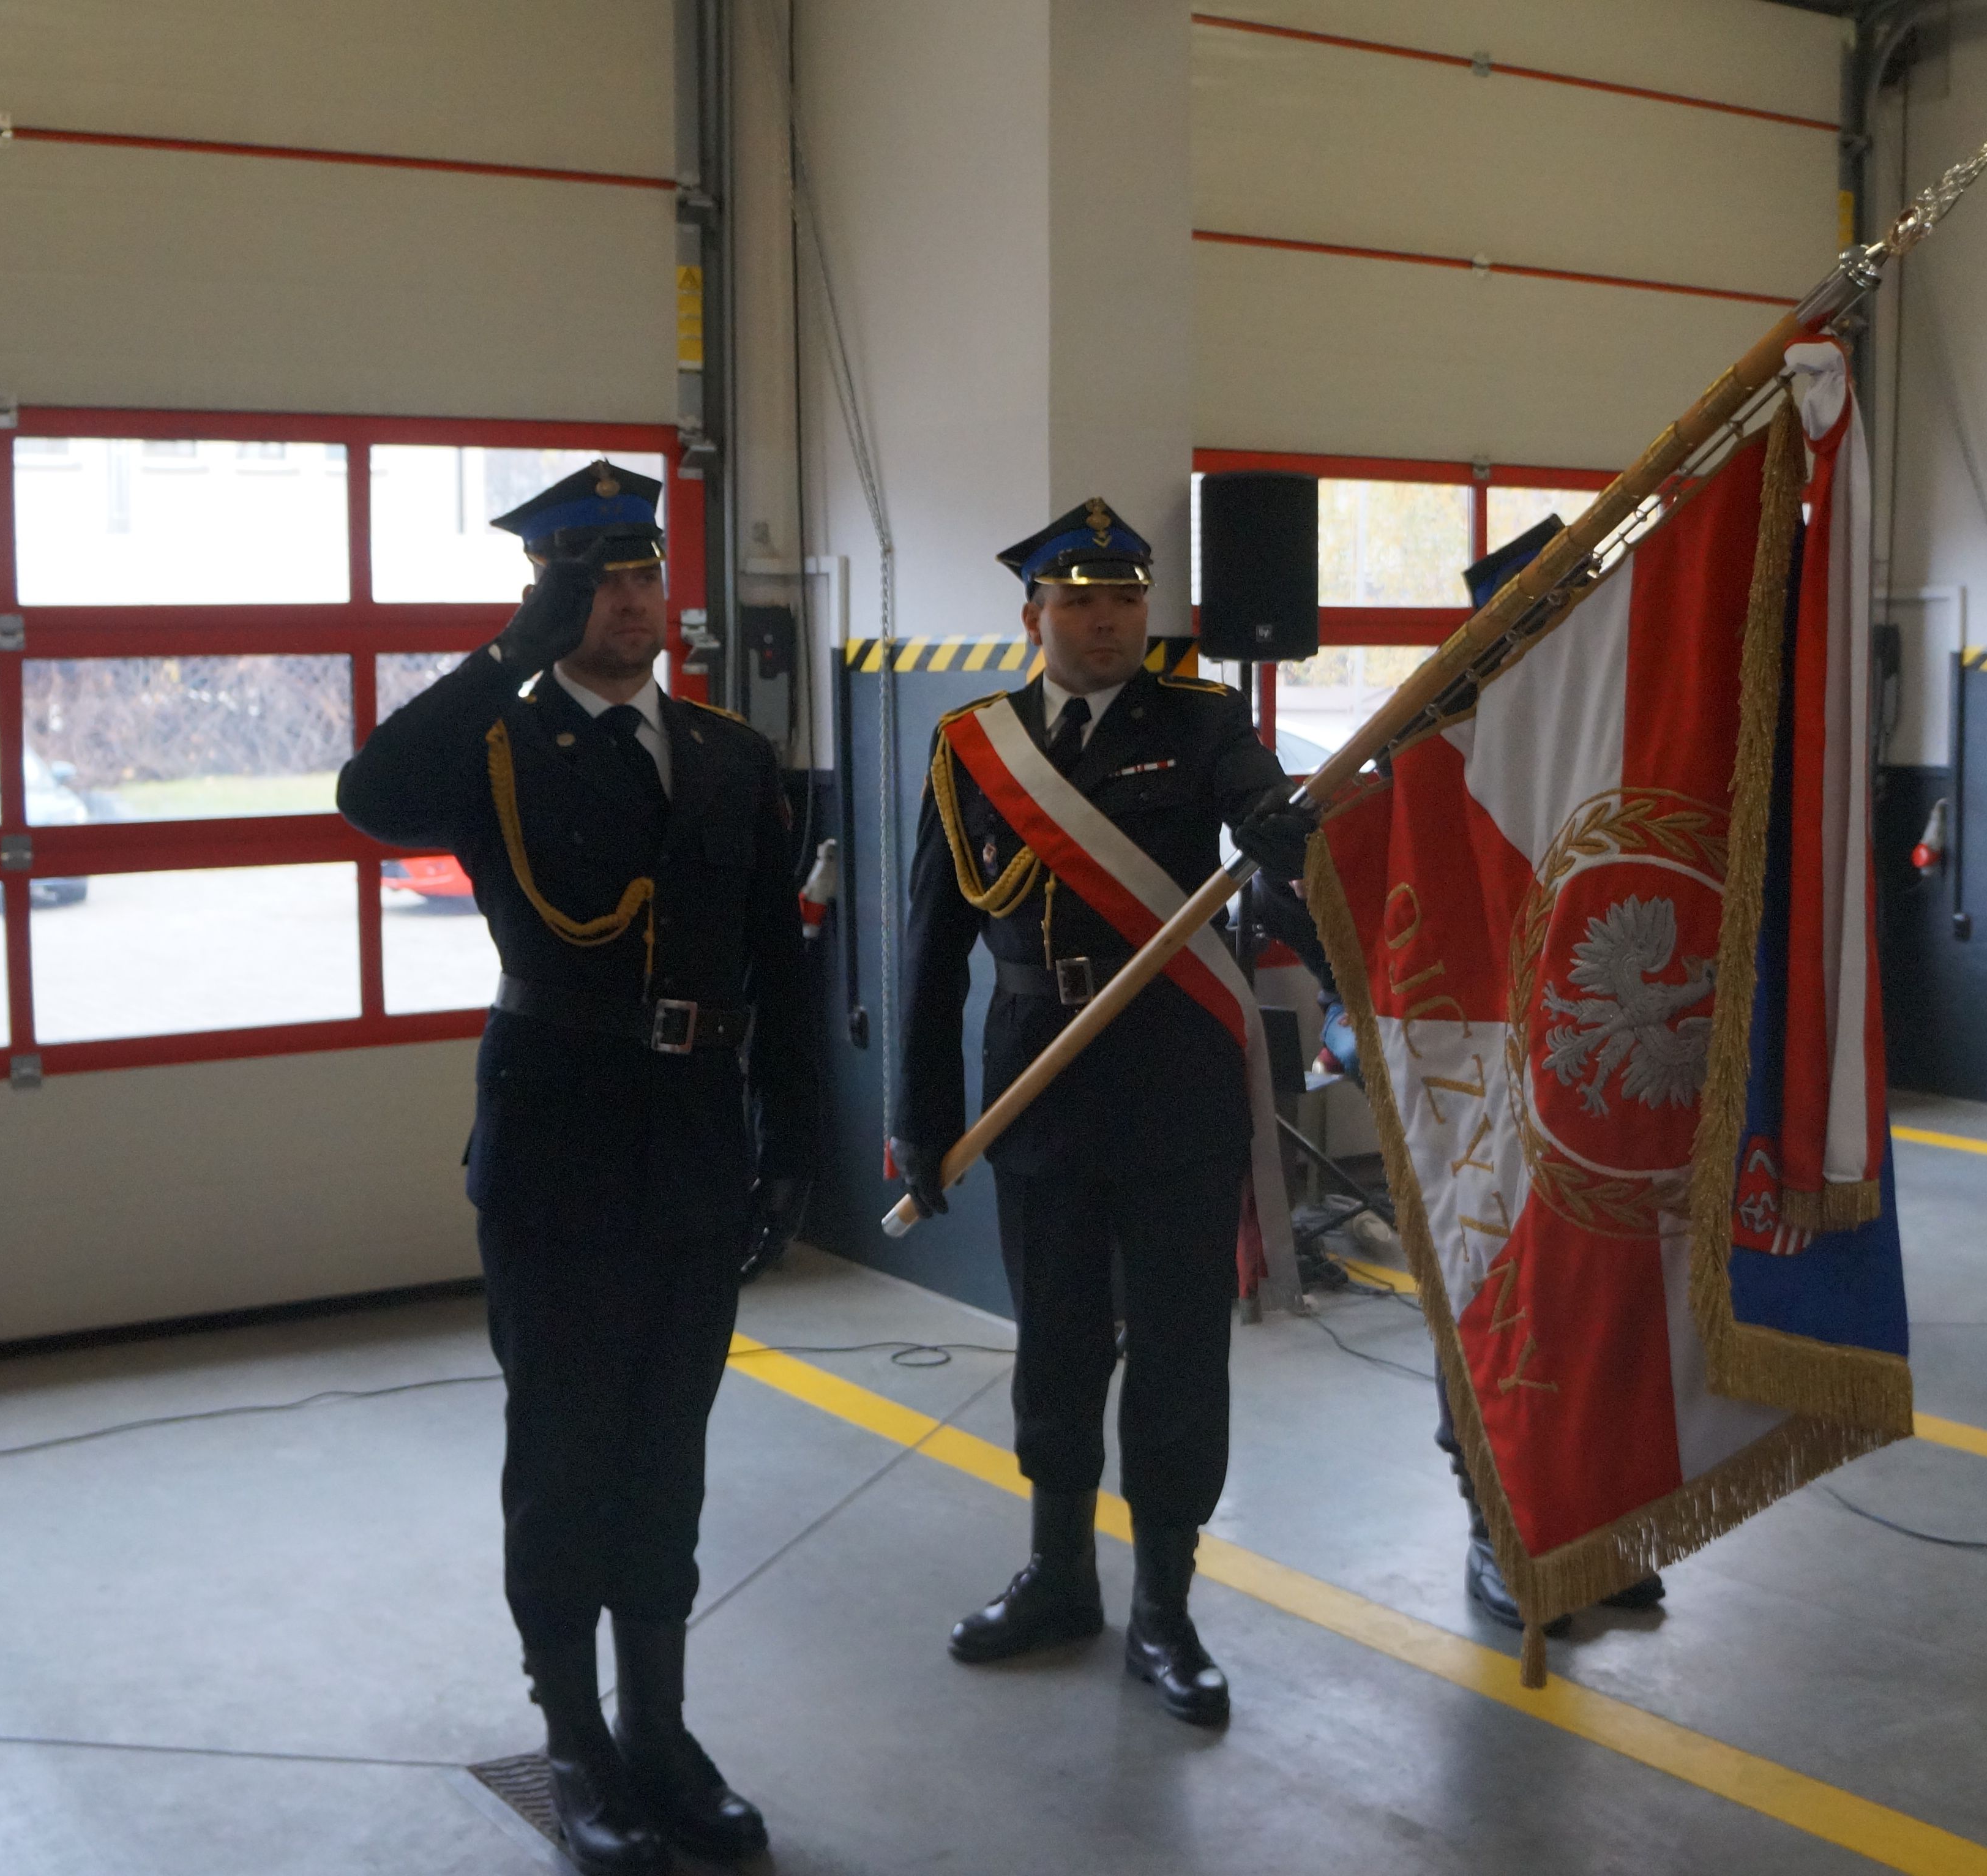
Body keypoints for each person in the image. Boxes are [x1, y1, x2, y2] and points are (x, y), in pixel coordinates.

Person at [336, 459, 814, 1875]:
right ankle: (573, 1739)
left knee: (666, 1451)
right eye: (595, 583)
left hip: (695, 1143)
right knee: (563, 1457)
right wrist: (509, 653)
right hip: (555, 1145)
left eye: (641, 575)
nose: (628, 602)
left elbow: (778, 966)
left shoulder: (725, 752)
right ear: (550, 599)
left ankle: (659, 1728)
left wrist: (793, 1137)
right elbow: (370, 794)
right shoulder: (499, 742)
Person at [891, 497, 1318, 1728]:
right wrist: (920, 1121)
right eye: (1079, 601)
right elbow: (929, 945)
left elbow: (1255, 801)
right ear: (1033, 617)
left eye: (1126, 599)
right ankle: (1059, 1577)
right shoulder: (975, 746)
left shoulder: (1202, 722)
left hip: (1176, 1080)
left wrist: (1279, 830)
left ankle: (1166, 1609)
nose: (1107, 621)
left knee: (1180, 1354)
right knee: (1057, 1347)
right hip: (1039, 1084)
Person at [1438, 514, 1661, 1634]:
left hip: (1588, 1074)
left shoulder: (1618, 732)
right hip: (1470, 1069)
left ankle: (1590, 1526)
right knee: (1487, 1292)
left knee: (1595, 1303)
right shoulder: (1439, 736)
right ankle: (1498, 1530)